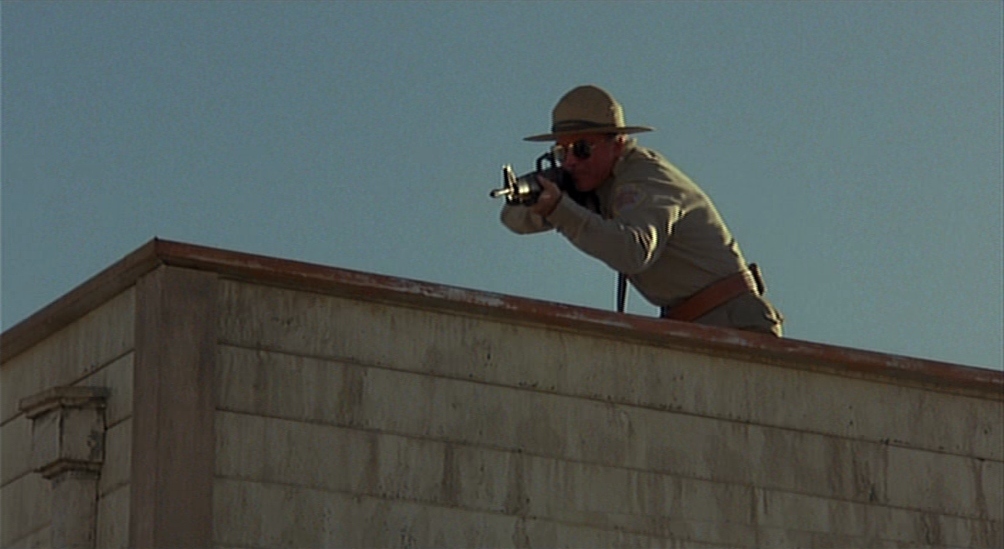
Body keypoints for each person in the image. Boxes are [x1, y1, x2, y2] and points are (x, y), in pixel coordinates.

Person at [500, 84, 784, 336]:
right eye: (562, 153)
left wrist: (560, 209)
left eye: (582, 148)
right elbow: (513, 219)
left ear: (617, 143)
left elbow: (633, 251)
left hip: (732, 321)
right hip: (693, 326)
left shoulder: (642, 178)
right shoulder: (595, 185)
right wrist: (540, 195)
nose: (571, 161)